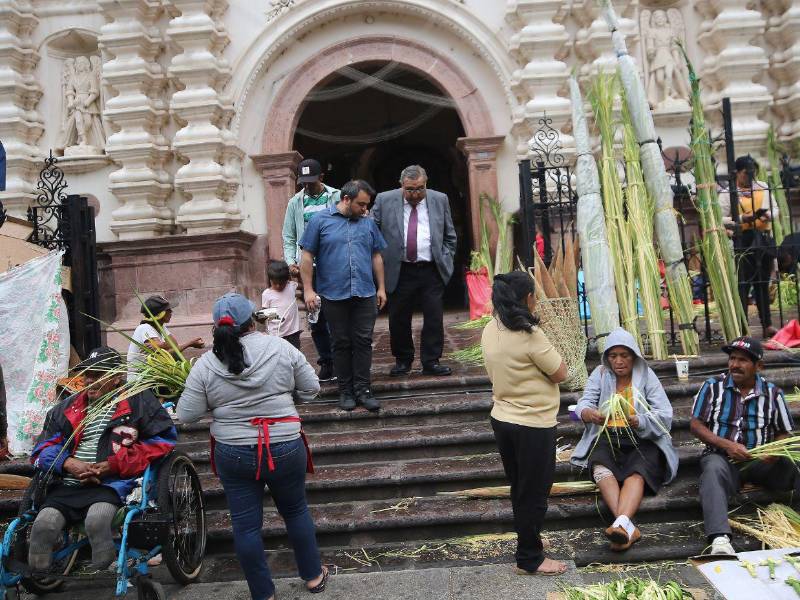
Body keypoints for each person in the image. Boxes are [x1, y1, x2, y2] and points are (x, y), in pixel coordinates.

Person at [178, 293, 326, 600]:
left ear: (216, 326)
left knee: (245, 527)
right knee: (296, 511)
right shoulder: (280, 347)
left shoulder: (205, 363)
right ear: (252, 320)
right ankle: (313, 576)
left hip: (233, 451)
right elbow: (312, 388)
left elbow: (187, 414)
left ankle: (263, 594)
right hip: (284, 444)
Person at [28, 347, 176, 571]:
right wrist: (68, 463)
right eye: (87, 374)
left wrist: (114, 464)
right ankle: (38, 575)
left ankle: (107, 564)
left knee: (97, 521)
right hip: (68, 484)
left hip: (113, 484)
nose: (90, 380)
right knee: (43, 526)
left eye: (98, 375)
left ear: (116, 379)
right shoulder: (66, 409)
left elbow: (163, 441)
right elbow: (42, 449)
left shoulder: (137, 401)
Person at [480, 271, 568, 575]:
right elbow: (560, 373)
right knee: (534, 493)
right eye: (534, 295)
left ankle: (528, 548)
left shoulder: (491, 328)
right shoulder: (531, 334)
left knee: (521, 488)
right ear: (527, 299)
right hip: (533, 423)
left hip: (503, 419)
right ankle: (530, 557)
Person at [571, 328, 677, 552]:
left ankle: (622, 525)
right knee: (600, 466)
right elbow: (584, 402)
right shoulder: (600, 374)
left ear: (634, 356)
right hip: (609, 436)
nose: (618, 361)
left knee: (637, 469)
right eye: (613, 356)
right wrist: (588, 413)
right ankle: (627, 527)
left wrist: (639, 421)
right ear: (607, 358)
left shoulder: (646, 375)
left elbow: (665, 414)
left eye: (624, 355)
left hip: (642, 438)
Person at [690, 337, 795, 555]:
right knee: (712, 470)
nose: (735, 365)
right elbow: (696, 425)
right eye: (732, 359)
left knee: (793, 465)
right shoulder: (712, 387)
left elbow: (784, 432)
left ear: (759, 366)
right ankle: (719, 538)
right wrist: (727, 445)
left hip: (760, 462)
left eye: (743, 360)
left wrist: (773, 452)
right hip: (722, 459)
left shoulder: (773, 394)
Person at [299, 180, 387, 412]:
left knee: (363, 341)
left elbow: (376, 255)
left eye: (367, 205)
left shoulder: (367, 224)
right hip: (333, 293)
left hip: (365, 292)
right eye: (361, 204)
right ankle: (345, 390)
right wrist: (308, 289)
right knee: (340, 342)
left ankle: (363, 389)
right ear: (346, 200)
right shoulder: (320, 221)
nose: (365, 210)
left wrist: (381, 288)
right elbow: (307, 256)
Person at [372, 165, 457, 377]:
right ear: (401, 185)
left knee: (434, 316)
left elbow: (449, 234)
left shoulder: (439, 199)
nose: (415, 194)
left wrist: (446, 257)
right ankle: (403, 360)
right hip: (399, 269)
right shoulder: (384, 200)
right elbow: (371, 231)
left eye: (420, 188)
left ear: (426, 183)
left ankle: (431, 361)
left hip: (431, 268)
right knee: (399, 318)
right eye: (410, 189)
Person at [282, 158, 338, 382]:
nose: (307, 186)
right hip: (308, 270)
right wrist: (290, 262)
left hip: (333, 267)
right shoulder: (295, 202)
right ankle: (326, 361)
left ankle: (341, 360)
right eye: (303, 182)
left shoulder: (336, 196)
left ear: (322, 178)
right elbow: (289, 236)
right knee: (316, 317)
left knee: (337, 316)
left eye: (311, 182)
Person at [719, 156, 780, 338]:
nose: (750, 176)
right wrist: (741, 219)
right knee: (742, 285)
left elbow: (775, 209)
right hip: (742, 240)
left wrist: (767, 215)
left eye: (753, 171)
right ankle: (742, 327)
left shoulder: (762, 187)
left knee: (762, 284)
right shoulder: (728, 193)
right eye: (747, 173)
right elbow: (719, 217)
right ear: (738, 173)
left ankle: (767, 324)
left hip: (762, 239)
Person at [126, 295, 204, 380]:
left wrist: (161, 345)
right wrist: (189, 344)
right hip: (141, 380)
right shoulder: (145, 328)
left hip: (153, 377)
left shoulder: (161, 326)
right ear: (160, 314)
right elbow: (165, 354)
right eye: (168, 310)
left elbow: (174, 344)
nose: (171, 312)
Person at [262, 260, 302, 349]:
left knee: (295, 356)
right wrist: (277, 317)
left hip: (293, 333)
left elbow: (302, 285)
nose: (278, 286)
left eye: (281, 283)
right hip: (276, 334)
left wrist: (298, 274)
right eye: (275, 283)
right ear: (270, 280)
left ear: (287, 280)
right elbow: (263, 314)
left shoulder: (291, 286)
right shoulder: (267, 293)